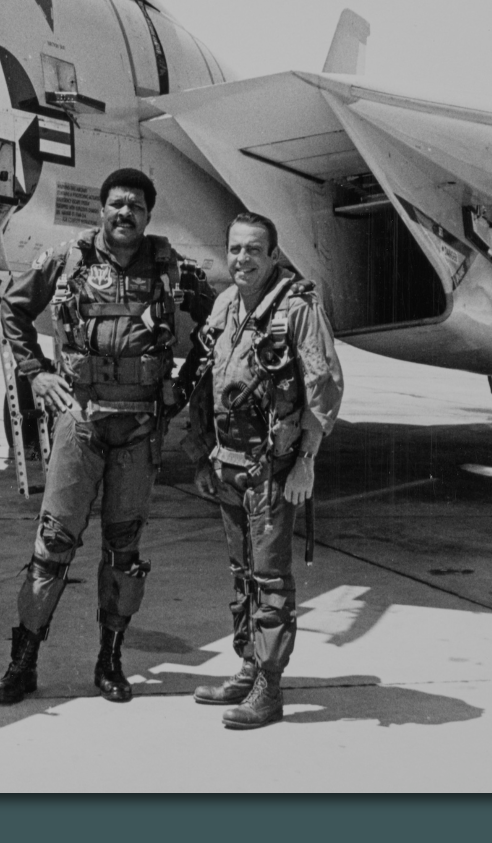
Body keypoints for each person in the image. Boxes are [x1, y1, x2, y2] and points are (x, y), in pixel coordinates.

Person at [0, 168, 214, 705]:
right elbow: (12, 309)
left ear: (148, 215)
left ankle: (110, 662)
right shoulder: (67, 260)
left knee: (123, 551)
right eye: (116, 204)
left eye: (135, 206)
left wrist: (181, 388)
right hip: (81, 422)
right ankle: (23, 662)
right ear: (101, 209)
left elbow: (217, 327)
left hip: (139, 430)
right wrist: (37, 373)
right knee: (53, 546)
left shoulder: (173, 270)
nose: (124, 213)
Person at [183, 212, 343, 729]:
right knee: (241, 577)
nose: (242, 259)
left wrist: (306, 464)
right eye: (234, 249)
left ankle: (269, 691)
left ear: (273, 255)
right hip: (229, 465)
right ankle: (249, 667)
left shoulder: (296, 309)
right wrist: (204, 454)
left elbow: (324, 389)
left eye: (254, 250)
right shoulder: (227, 304)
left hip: (273, 469)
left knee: (271, 580)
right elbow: (208, 381)